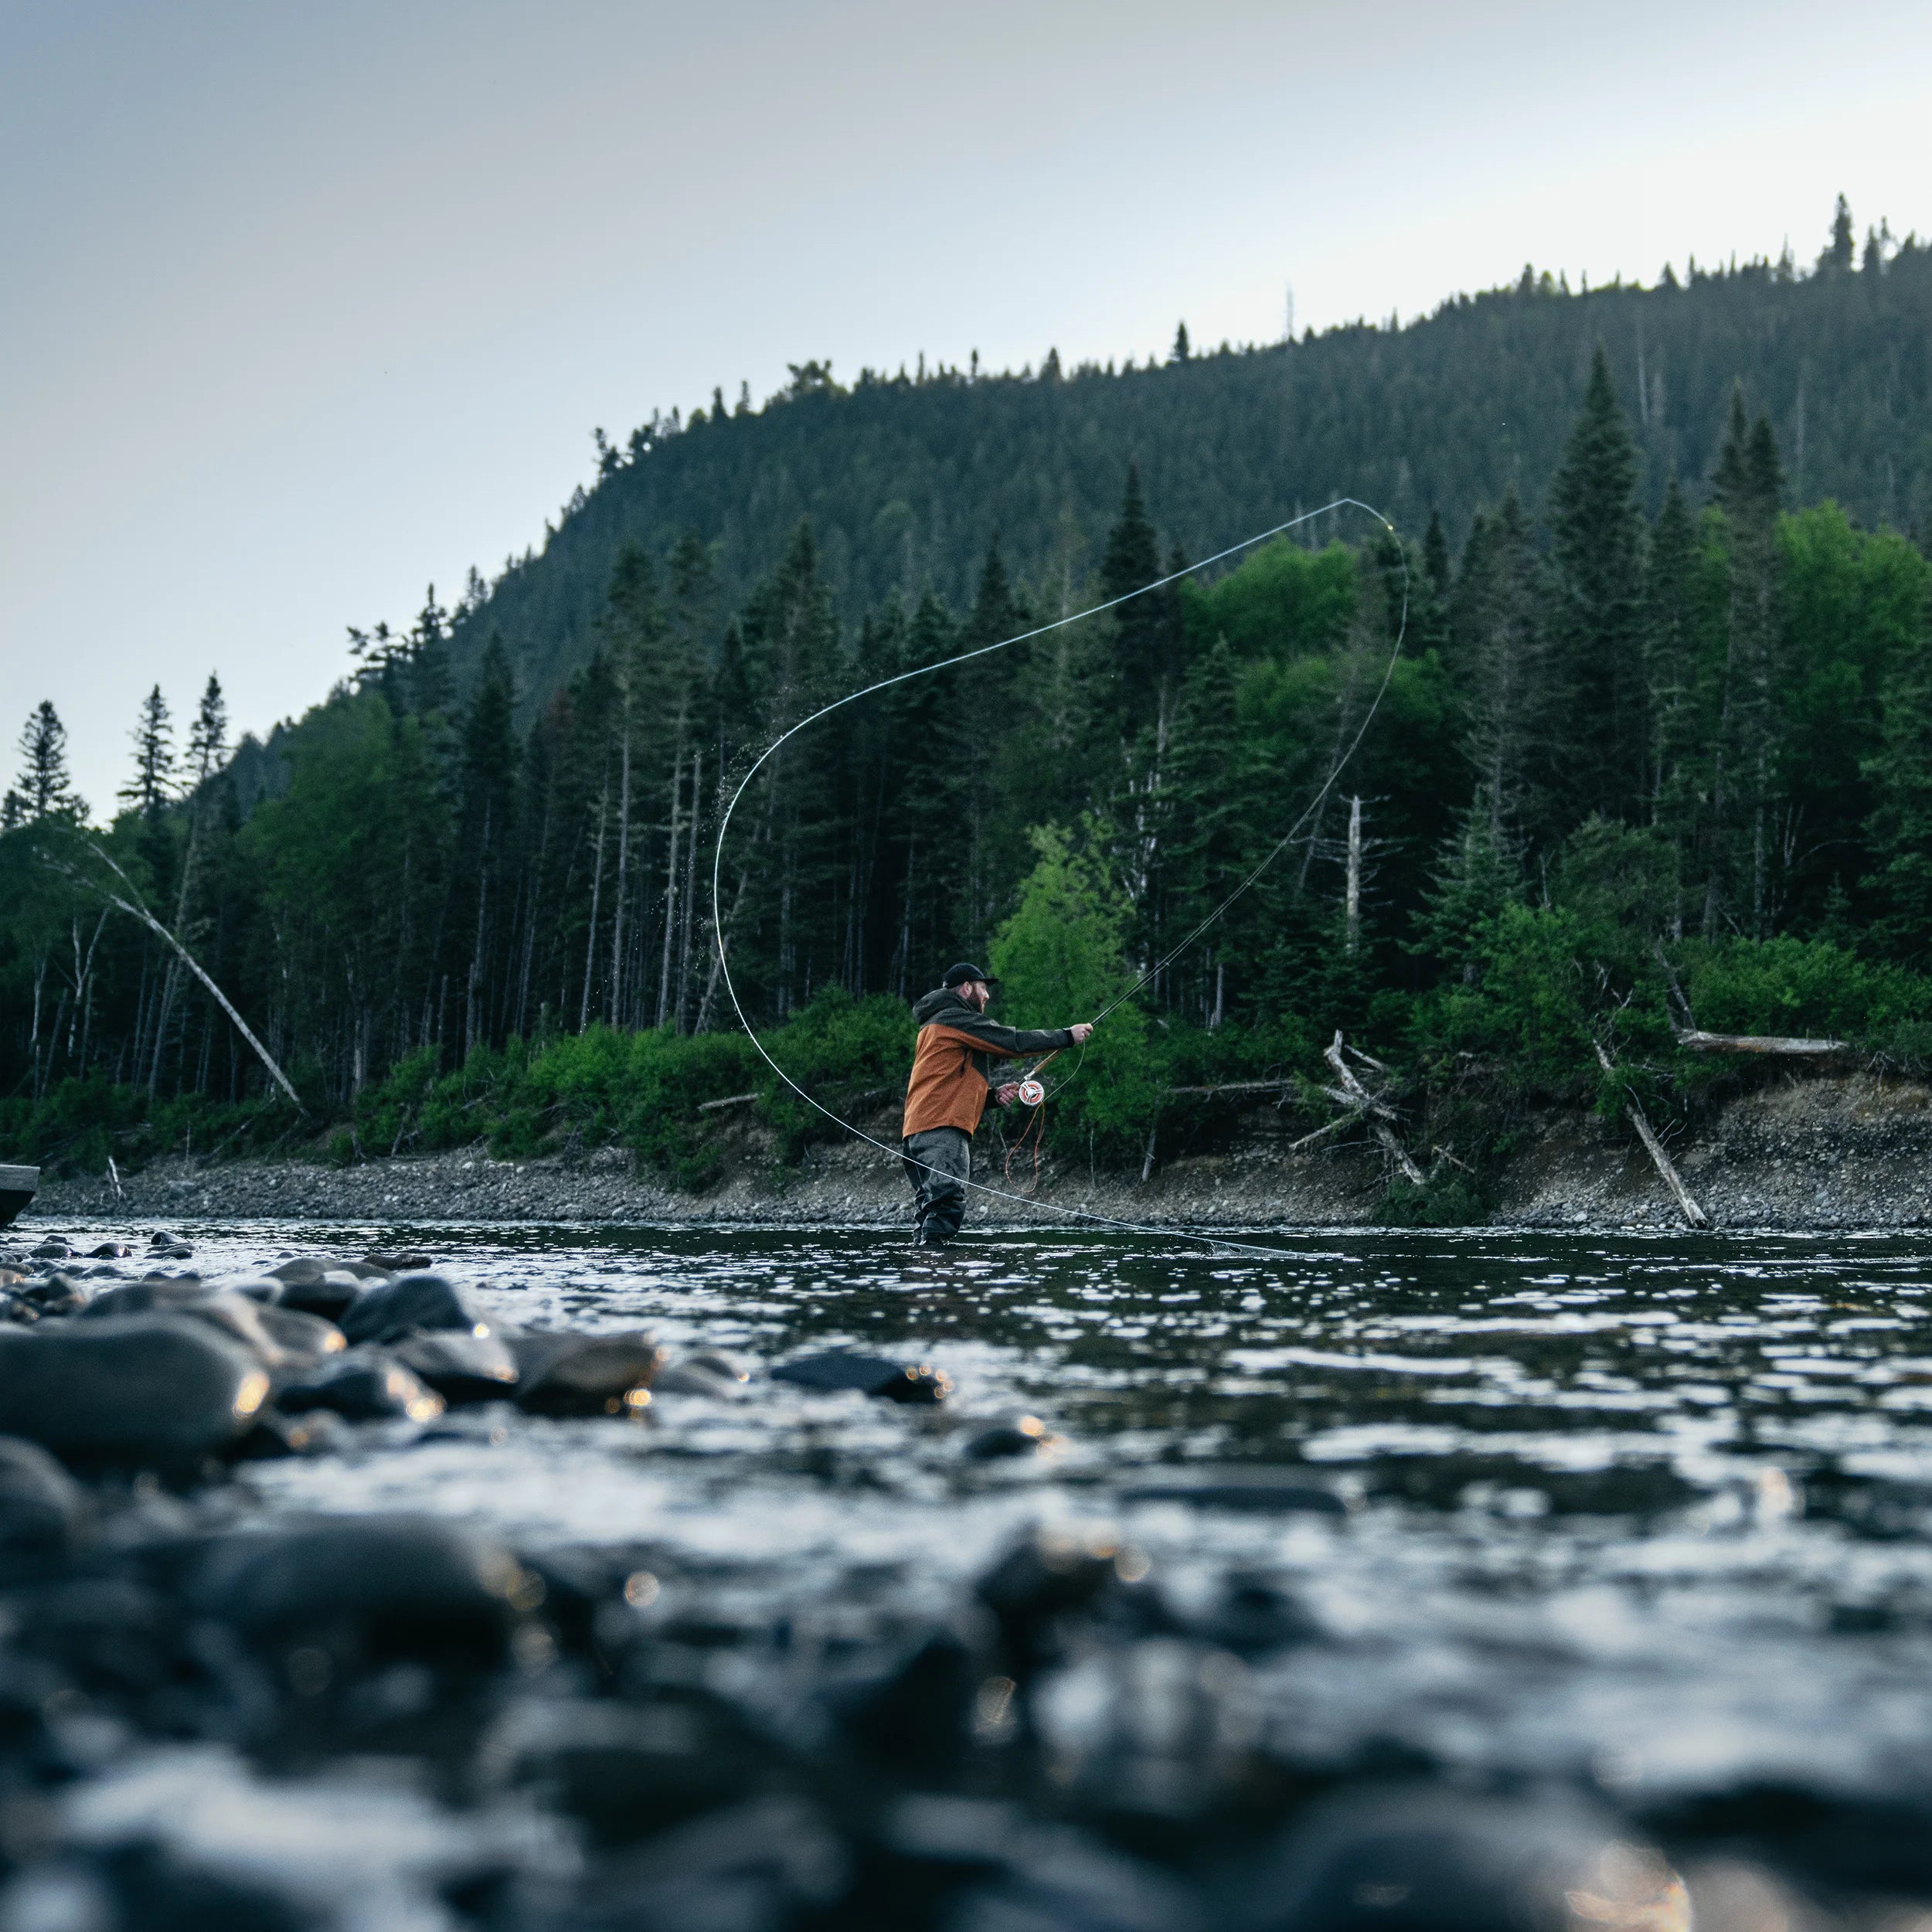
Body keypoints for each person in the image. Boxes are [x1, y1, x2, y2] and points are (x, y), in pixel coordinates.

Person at [900, 961, 1095, 1248]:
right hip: (942, 1131)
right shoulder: (956, 1018)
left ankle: (921, 1274)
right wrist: (1066, 1036)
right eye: (983, 988)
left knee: (929, 1210)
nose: (987, 996)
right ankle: (937, 1283)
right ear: (967, 988)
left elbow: (944, 1082)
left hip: (917, 1134)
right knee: (946, 1206)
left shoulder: (933, 1024)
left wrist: (990, 1097)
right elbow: (1011, 1042)